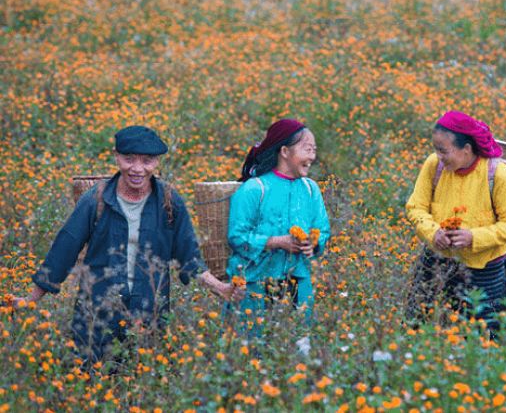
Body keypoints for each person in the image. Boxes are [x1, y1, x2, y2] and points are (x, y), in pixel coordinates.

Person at [13, 126, 240, 363]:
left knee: (141, 384)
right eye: (129, 159)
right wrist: (30, 301)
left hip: (149, 311)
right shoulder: (95, 200)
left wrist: (220, 288)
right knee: (89, 379)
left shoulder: (170, 202)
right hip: (97, 313)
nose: (138, 169)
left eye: (147, 160)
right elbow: (63, 251)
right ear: (116, 156)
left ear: (157, 162)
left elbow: (190, 258)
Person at [405, 111, 506, 335]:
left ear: (466, 149)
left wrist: (473, 238)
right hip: (437, 259)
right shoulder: (433, 165)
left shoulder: (498, 174)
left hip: (484, 268)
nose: (438, 156)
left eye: (443, 151)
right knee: (417, 319)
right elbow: (415, 207)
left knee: (486, 331)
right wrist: (433, 232)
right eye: (436, 149)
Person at [227, 119, 330, 339]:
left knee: (299, 347)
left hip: (298, 281)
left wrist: (313, 243)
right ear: (284, 151)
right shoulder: (255, 188)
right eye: (307, 149)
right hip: (255, 284)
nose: (312, 157)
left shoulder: (311, 189)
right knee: (254, 350)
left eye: (314, 150)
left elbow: (322, 229)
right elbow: (236, 237)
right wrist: (276, 242)